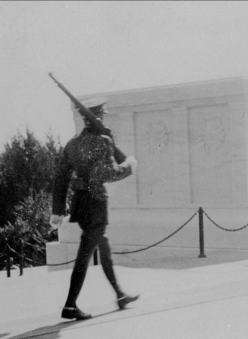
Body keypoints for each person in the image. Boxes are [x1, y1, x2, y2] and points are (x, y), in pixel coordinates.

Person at [50, 97, 139, 321]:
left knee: (103, 245)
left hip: (81, 204)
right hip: (96, 203)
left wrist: (58, 211)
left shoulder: (72, 144)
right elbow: (109, 173)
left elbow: (60, 179)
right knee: (85, 254)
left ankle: (119, 295)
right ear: (97, 115)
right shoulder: (102, 141)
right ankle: (70, 305)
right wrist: (129, 166)